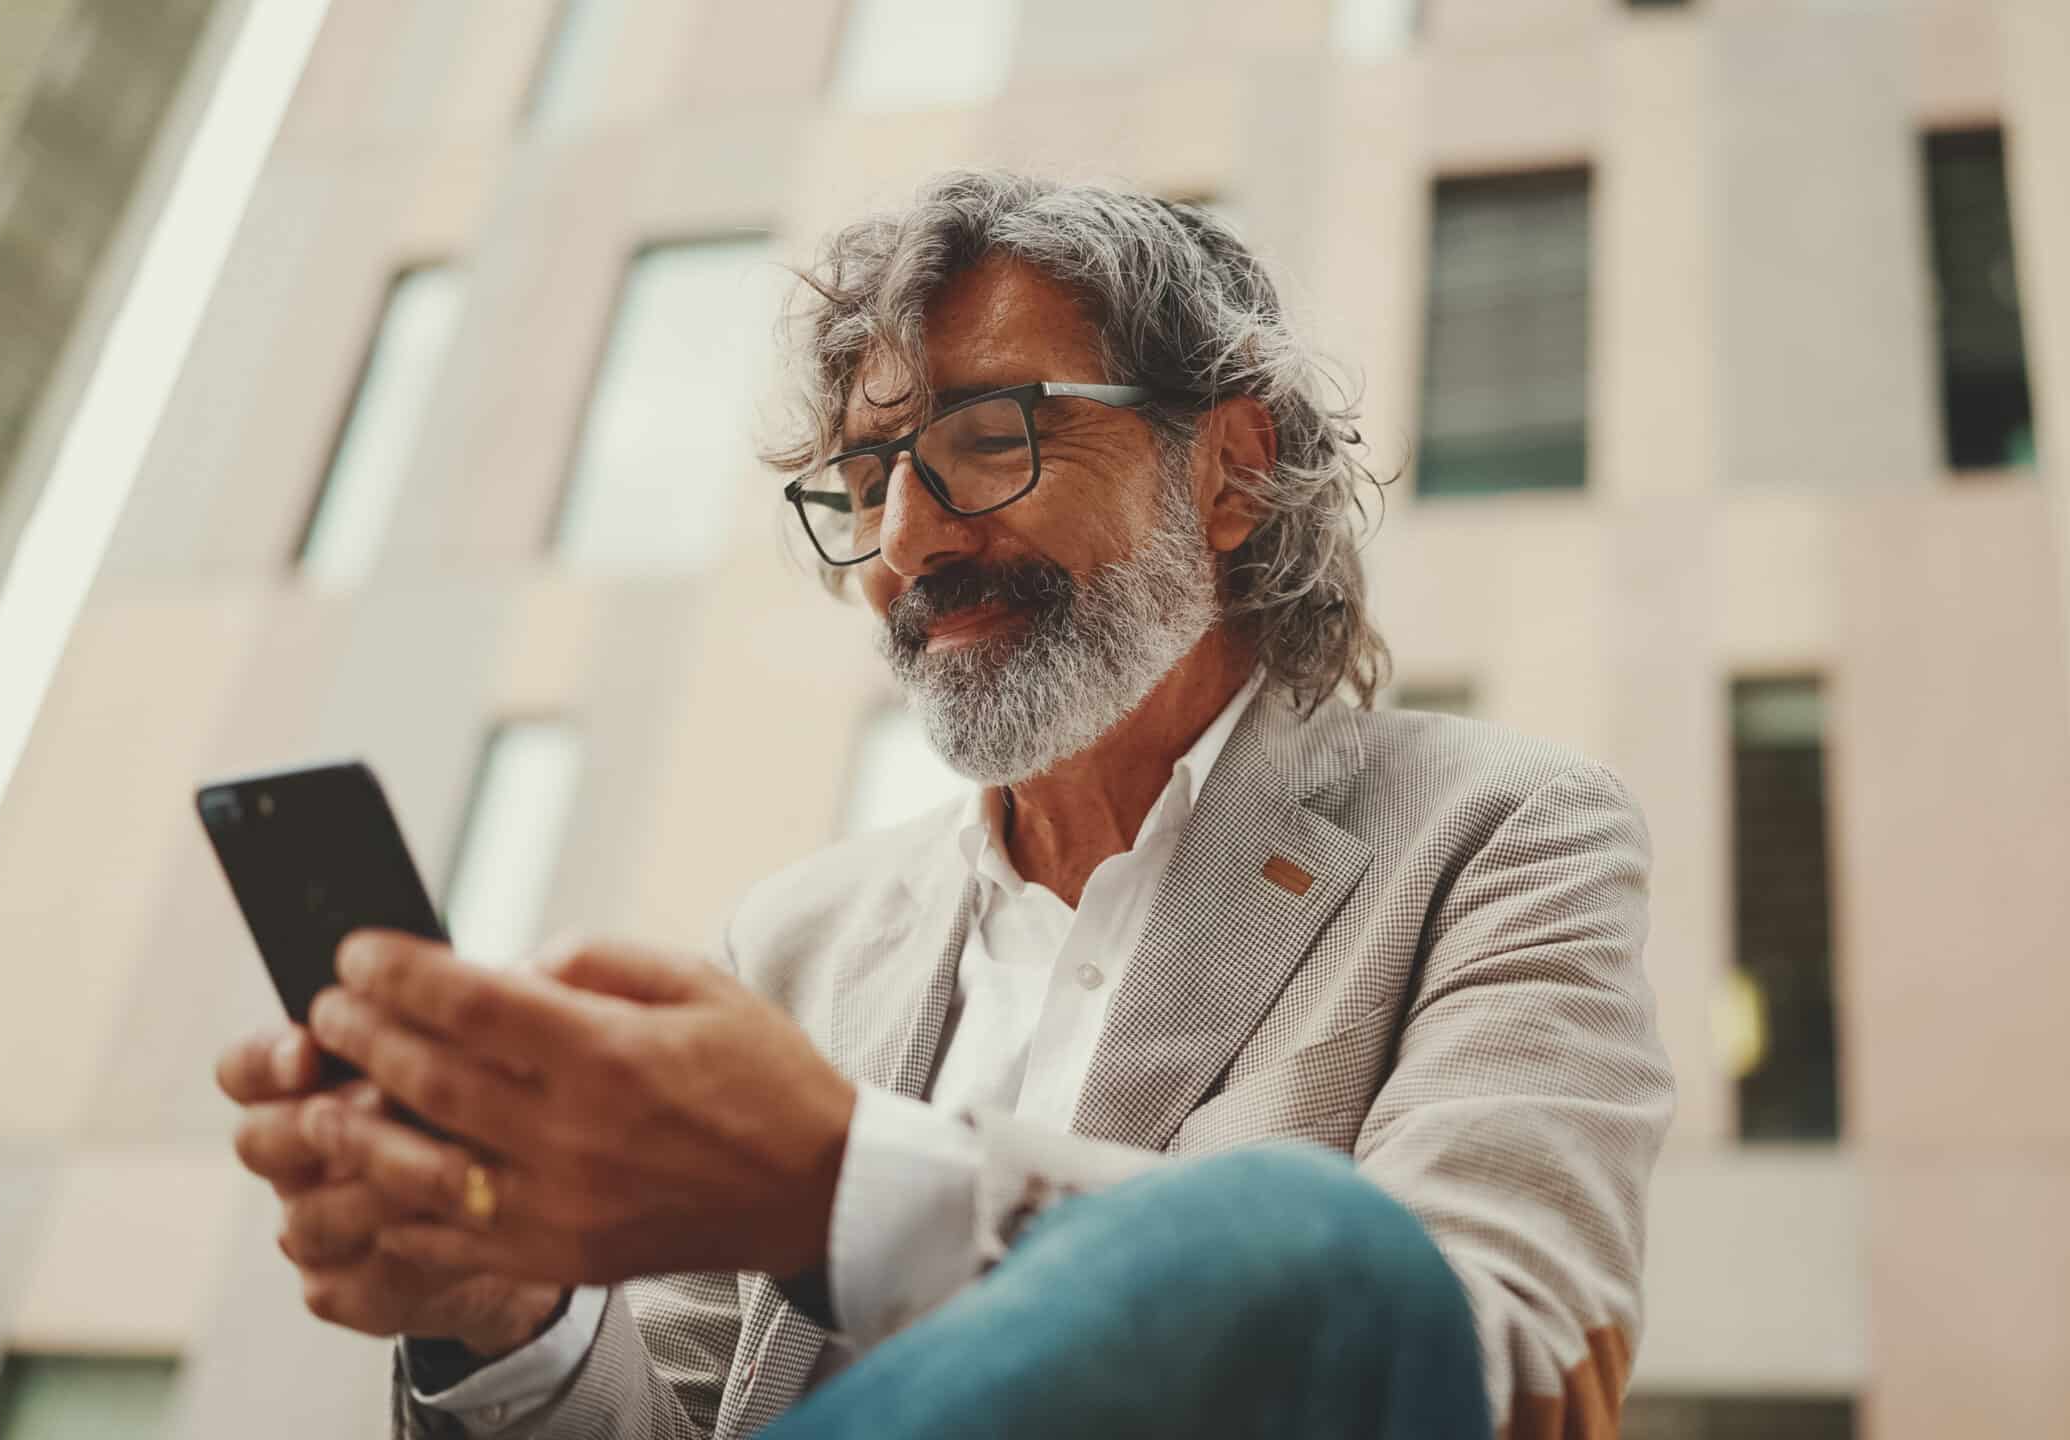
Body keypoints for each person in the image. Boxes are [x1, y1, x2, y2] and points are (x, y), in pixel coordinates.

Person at [214, 169, 1674, 1440]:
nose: (903, 542)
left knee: (1319, 1252)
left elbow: (1488, 1376)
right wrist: (507, 1310)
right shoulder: (794, 940)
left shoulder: (1504, 836)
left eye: (990, 436)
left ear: (1234, 467)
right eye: (865, 474)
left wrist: (836, 1188)